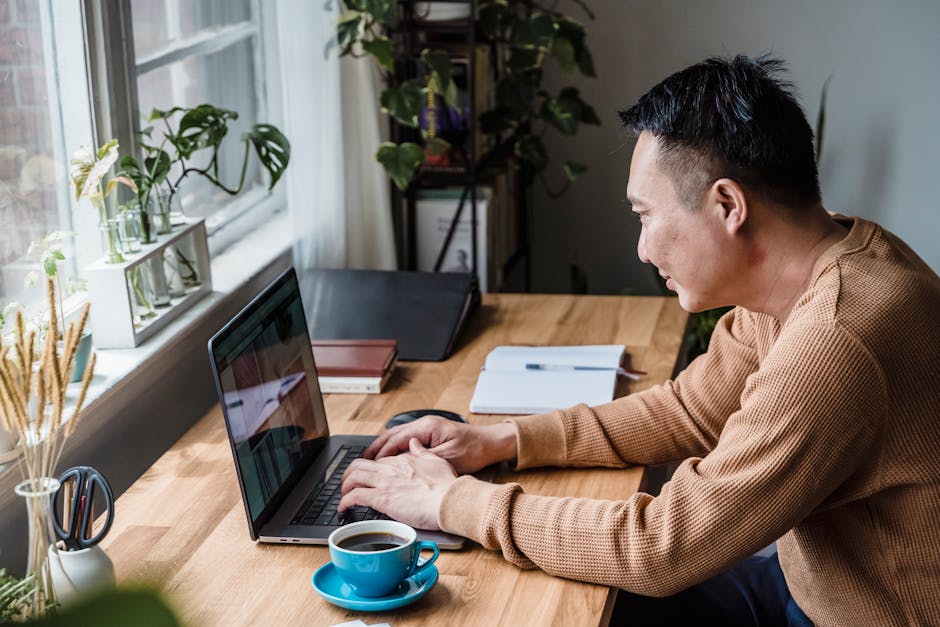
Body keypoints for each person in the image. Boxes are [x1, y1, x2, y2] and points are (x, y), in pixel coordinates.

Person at [339, 55, 940, 626]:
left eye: (645, 215)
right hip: (809, 586)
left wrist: (453, 504)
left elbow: (660, 550)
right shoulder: (825, 263)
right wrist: (499, 441)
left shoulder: (837, 341)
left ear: (727, 204)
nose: (641, 248)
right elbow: (691, 410)